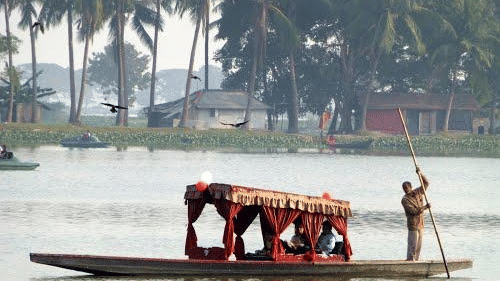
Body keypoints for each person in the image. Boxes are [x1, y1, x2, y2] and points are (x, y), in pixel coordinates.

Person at [401, 166, 430, 261]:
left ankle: (416, 261)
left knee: (419, 245)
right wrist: (425, 207)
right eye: (404, 189)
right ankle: (410, 260)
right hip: (413, 225)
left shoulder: (417, 192)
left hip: (420, 223)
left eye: (407, 188)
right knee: (412, 245)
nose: (405, 190)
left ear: (411, 187)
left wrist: (420, 173)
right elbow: (412, 212)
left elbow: (426, 183)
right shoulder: (405, 200)